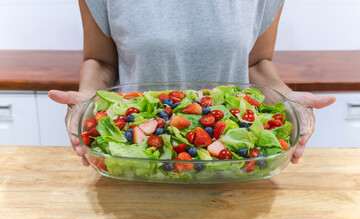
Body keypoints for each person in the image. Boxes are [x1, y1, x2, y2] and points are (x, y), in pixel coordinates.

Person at [49, 0, 335, 166]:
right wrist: (86, 101)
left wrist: (286, 98)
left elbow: (256, 63)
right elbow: (102, 61)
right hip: (137, 163)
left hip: (231, 167)